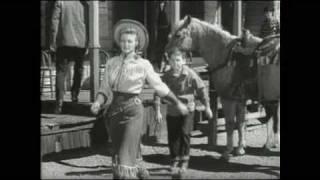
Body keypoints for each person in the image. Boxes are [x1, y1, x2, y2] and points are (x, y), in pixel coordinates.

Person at [90, 19, 189, 179]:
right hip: (114, 113)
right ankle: (141, 172)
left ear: (136, 43)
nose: (125, 44)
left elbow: (160, 87)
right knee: (118, 156)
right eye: (122, 41)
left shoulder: (143, 64)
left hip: (133, 112)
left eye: (129, 41)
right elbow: (105, 89)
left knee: (124, 157)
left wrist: (177, 103)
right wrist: (98, 102)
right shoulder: (111, 63)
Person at [154, 47, 213, 176]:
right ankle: (174, 159)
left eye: (178, 60)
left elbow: (202, 90)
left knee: (185, 133)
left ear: (183, 61)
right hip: (172, 111)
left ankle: (184, 160)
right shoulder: (167, 76)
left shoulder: (190, 74)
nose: (176, 63)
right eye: (173, 60)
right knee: (173, 136)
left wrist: (207, 107)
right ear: (169, 61)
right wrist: (157, 110)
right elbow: (158, 92)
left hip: (188, 109)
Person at [49, 0, 89, 113]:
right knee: (79, 69)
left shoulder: (60, 2)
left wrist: (52, 43)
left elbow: (54, 24)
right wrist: (88, 43)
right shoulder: (84, 4)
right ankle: (75, 95)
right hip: (81, 42)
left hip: (64, 42)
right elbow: (89, 24)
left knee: (61, 72)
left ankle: (59, 102)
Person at [154, 0, 170, 72]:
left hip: (167, 31)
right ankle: (159, 65)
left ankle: (166, 64)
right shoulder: (155, 6)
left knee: (166, 48)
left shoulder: (170, 6)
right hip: (158, 32)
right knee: (159, 49)